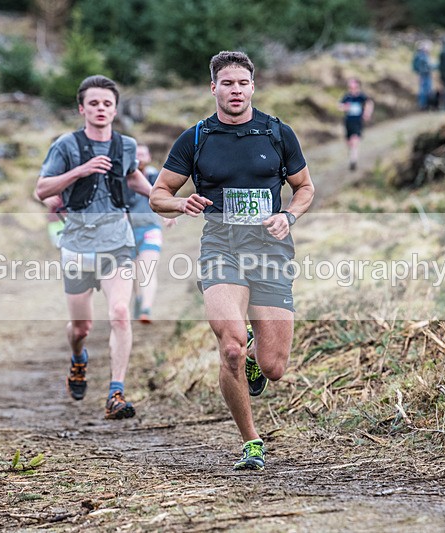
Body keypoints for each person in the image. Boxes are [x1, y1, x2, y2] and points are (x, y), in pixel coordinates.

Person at [150, 51, 315, 471]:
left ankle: (258, 364)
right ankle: (252, 443)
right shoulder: (197, 138)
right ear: (214, 88)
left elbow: (305, 187)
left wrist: (288, 215)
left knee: (274, 366)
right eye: (227, 83)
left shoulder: (278, 133)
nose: (235, 90)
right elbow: (158, 195)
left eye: (242, 83)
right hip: (221, 249)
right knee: (231, 348)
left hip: (271, 252)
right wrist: (181, 202)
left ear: (252, 87)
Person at [34, 75, 153, 420]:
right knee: (81, 328)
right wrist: (81, 170)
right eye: (94, 103)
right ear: (81, 108)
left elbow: (132, 177)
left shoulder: (126, 145)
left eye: (107, 103)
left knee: (119, 313)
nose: (101, 109)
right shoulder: (66, 146)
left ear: (115, 109)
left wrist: (163, 198)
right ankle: (78, 357)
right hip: (77, 246)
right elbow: (43, 190)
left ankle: (116, 392)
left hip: (118, 242)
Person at [126, 143, 176, 323]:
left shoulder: (157, 177)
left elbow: (166, 197)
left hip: (150, 229)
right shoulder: (124, 178)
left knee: (148, 269)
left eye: (143, 154)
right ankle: (139, 299)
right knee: (132, 274)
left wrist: (169, 214)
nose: (139, 157)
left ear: (149, 157)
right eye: (136, 154)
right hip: (126, 232)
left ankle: (146, 308)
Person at [339, 77, 374, 172]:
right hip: (348, 122)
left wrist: (367, 113)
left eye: (354, 87)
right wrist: (344, 107)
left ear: (358, 87)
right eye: (350, 87)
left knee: (355, 140)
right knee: (349, 142)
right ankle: (352, 155)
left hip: (357, 122)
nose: (352, 89)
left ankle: (353, 160)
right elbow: (340, 106)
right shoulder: (347, 97)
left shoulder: (361, 96)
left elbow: (369, 103)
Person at [412, 40, 434, 111]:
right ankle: (423, 105)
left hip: (427, 74)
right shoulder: (420, 56)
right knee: (423, 90)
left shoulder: (425, 55)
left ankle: (428, 104)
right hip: (423, 75)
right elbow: (420, 67)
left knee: (428, 90)